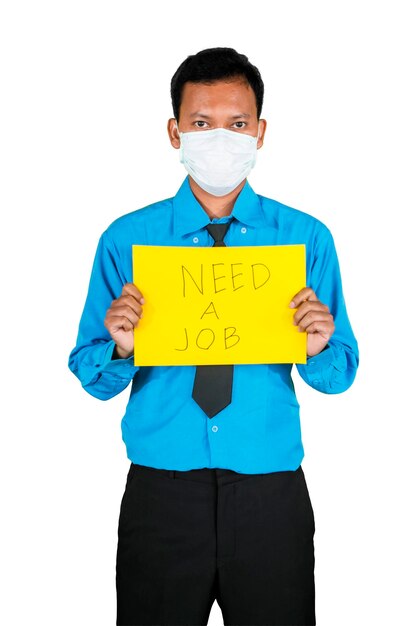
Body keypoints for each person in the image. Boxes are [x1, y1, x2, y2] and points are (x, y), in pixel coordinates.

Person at [68, 47, 358, 626]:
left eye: (237, 123)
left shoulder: (304, 239)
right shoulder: (127, 240)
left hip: (270, 491)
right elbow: (92, 377)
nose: (219, 138)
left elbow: (340, 373)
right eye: (201, 124)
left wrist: (318, 343)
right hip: (161, 494)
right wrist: (122, 346)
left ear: (260, 131)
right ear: (175, 131)